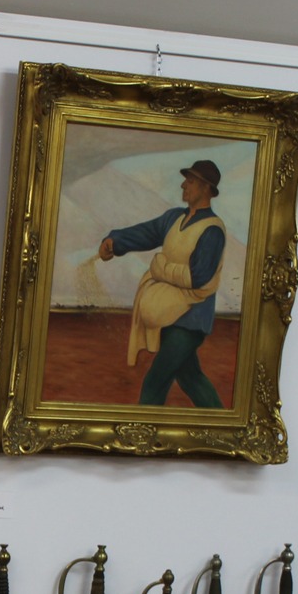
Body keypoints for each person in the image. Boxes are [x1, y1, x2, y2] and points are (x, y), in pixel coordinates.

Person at [96, 158, 229, 409]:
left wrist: (160, 267)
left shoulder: (213, 230)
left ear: (205, 187)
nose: (183, 185)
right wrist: (114, 241)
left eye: (190, 181)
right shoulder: (174, 218)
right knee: (190, 378)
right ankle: (221, 422)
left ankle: (142, 427)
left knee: (155, 382)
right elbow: (147, 233)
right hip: (169, 315)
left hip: (191, 320)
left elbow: (198, 277)